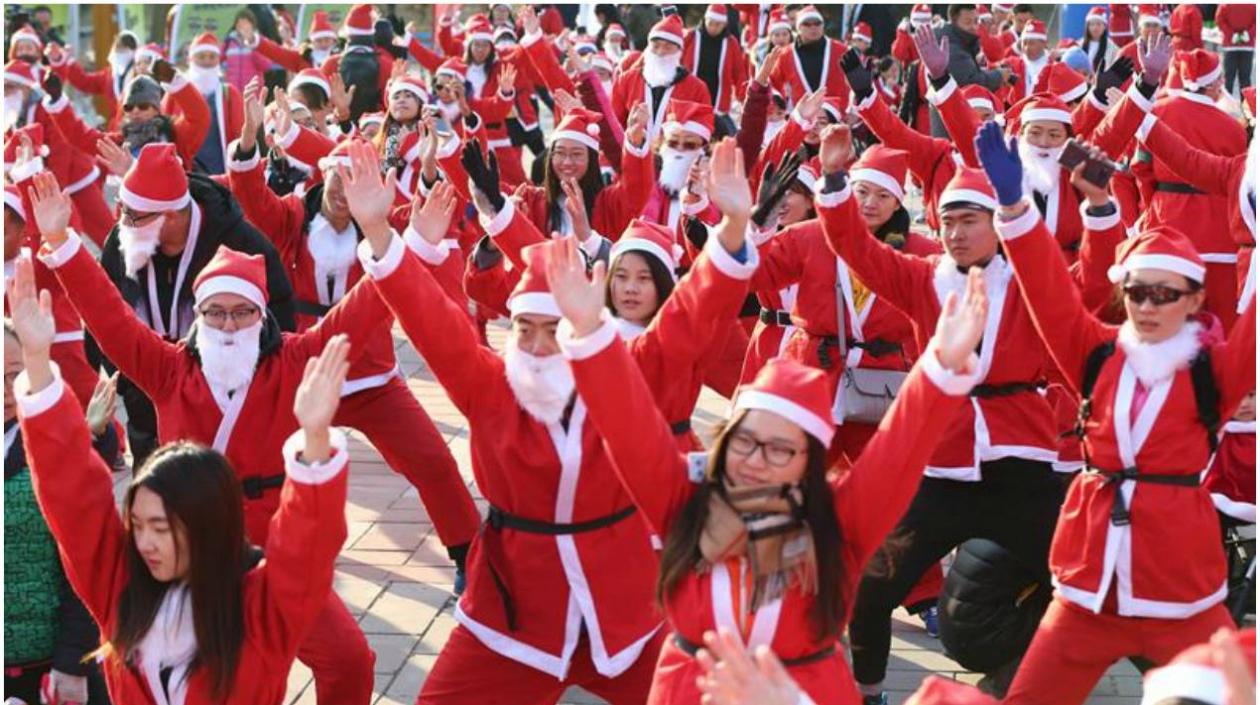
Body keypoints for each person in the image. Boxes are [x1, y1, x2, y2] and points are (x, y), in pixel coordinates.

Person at [545, 201, 989, 704]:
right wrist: (588, 333)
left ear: (809, 461)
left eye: (782, 449)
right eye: (747, 440)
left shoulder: (837, 520)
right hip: (691, 690)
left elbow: (897, 452)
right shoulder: (686, 499)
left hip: (803, 691)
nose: (756, 459)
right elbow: (627, 427)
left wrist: (939, 371)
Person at [26, 157, 383, 703]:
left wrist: (386, 240)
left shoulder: (294, 360)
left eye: (243, 313)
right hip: (179, 540)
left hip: (265, 547)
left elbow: (362, 312)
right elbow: (111, 317)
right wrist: (60, 239)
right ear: (197, 316)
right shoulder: (169, 368)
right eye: (215, 313)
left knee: (350, 657)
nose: (228, 325)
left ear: (263, 317)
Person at [343, 137, 663, 704]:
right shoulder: (491, 384)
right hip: (513, 612)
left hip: (622, 606)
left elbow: (698, 315)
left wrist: (737, 228)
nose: (539, 346)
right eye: (524, 329)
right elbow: (430, 317)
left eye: (554, 329)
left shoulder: (625, 373)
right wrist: (378, 233)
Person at [973, 119, 1256, 705]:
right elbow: (1047, 286)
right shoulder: (1096, 351)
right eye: (1136, 291)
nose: (1148, 306)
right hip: (1086, 590)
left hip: (1183, 595)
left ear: (1197, 299)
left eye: (1166, 294)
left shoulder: (1216, 370)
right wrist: (1013, 207)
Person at [812, 125, 1064, 705]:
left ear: (997, 223)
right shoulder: (925, 279)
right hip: (941, 467)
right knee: (872, 587)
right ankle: (868, 692)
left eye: (967, 219)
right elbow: (856, 248)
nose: (953, 232)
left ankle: (1042, 675)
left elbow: (1087, 271)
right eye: (946, 221)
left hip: (1020, 466)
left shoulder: (1031, 280)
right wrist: (831, 183)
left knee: (1084, 581)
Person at [226, 85, 481, 590]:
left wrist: (429, 169)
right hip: (304, 373)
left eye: (355, 181)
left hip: (370, 373)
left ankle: (467, 554)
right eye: (337, 180)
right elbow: (250, 197)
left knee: (431, 459)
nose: (345, 192)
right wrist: (250, 138)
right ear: (323, 179)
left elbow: (430, 213)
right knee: (252, 465)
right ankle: (253, 557)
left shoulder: (380, 225)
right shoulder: (293, 218)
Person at [3, 320, 110, 705]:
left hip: (55, 667)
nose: (3, 390)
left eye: (13, 375)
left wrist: (71, 662)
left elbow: (85, 566)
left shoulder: (52, 449)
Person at [610, 13, 712, 138]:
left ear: (679, 51)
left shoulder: (697, 88)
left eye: (668, 47)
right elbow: (613, 126)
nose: (660, 52)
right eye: (655, 46)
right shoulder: (625, 81)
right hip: (632, 152)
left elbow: (703, 131)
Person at [179, 32, 244, 176]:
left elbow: (239, 135)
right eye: (201, 56)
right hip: (186, 170)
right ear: (191, 59)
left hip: (220, 171)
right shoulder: (176, 93)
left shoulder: (230, 94)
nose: (207, 61)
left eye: (212, 57)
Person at [767, 5, 852, 111]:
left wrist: (853, 112)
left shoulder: (842, 51)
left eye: (817, 23)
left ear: (823, 26)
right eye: (807, 24)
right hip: (801, 122)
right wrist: (780, 108)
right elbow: (773, 84)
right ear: (798, 28)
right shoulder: (786, 55)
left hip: (836, 118)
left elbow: (861, 82)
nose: (813, 28)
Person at [682, 4, 749, 133]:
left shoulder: (731, 43)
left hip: (718, 102)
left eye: (718, 24)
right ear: (705, 20)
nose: (713, 27)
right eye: (710, 23)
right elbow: (676, 60)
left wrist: (745, 99)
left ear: (724, 25)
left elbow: (739, 74)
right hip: (689, 100)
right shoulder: (691, 36)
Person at [223, 9, 274, 92]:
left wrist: (252, 46)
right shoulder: (228, 42)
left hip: (253, 91)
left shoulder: (260, 41)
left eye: (246, 24)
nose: (243, 28)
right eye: (240, 25)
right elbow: (219, 61)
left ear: (252, 25)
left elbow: (266, 66)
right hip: (233, 92)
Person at [1217, 4, 1255, 96]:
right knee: (1245, 79)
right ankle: (1246, 107)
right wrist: (1249, 34)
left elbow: (1219, 20)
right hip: (1247, 46)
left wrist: (1230, 34)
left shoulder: (1225, 5)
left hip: (1230, 46)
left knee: (1228, 78)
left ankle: (1226, 105)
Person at [1081, 6, 1112, 76]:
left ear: (1104, 27)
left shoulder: (1111, 47)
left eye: (1098, 24)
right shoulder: (1080, 44)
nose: (1095, 28)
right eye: (1092, 24)